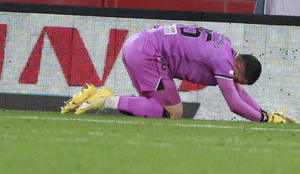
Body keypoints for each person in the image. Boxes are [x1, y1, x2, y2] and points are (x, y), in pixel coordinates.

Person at [64, 24, 288, 122]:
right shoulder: (224, 63)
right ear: (237, 68)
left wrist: (265, 114)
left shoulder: (227, 50)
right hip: (148, 53)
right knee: (175, 112)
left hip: (139, 44)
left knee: (156, 110)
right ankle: (105, 100)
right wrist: (265, 120)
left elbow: (239, 93)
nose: (233, 81)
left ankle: (93, 95)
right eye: (237, 78)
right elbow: (235, 104)